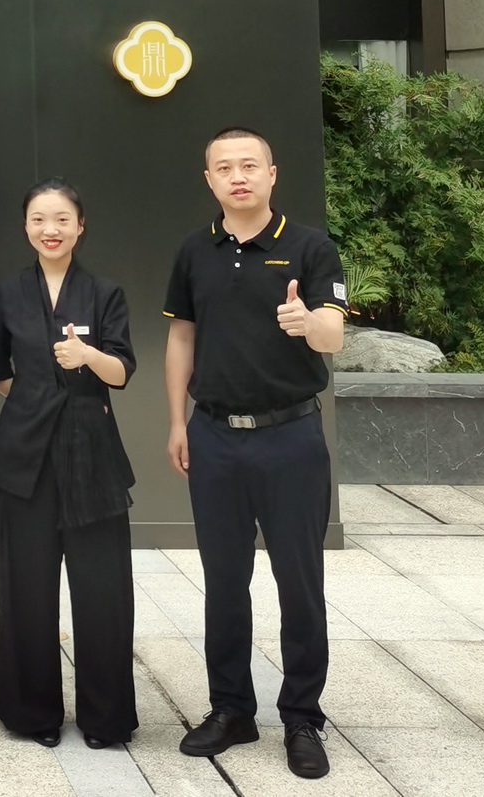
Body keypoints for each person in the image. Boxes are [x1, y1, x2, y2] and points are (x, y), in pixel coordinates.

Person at [165, 127, 345, 781]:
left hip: (289, 437)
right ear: (208, 179)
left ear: (272, 173)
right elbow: (181, 338)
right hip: (213, 435)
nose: (237, 176)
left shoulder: (310, 246)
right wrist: (176, 421)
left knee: (299, 582)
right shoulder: (195, 250)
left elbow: (333, 333)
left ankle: (301, 717)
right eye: (224, 167)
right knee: (222, 582)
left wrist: (308, 322)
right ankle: (231, 709)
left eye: (248, 165)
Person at [0, 178, 138, 749]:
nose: (50, 230)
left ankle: (106, 718)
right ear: (26, 227)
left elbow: (122, 372)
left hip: (92, 454)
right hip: (24, 457)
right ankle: (32, 714)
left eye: (62, 220)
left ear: (80, 226)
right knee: (26, 588)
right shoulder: (9, 292)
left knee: (103, 593)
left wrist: (87, 355)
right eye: (39, 220)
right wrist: (35, 400)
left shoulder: (104, 292)